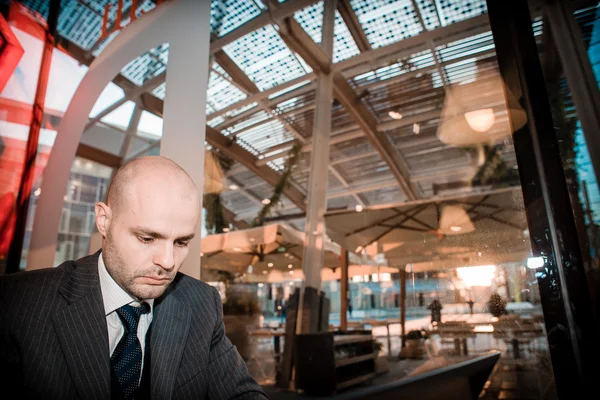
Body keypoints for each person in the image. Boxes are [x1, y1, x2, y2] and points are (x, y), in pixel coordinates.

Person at [0, 156, 268, 399]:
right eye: (147, 238)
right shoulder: (17, 304)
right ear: (104, 220)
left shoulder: (201, 303)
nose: (167, 261)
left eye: (181, 242)